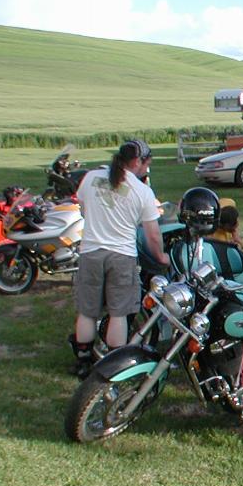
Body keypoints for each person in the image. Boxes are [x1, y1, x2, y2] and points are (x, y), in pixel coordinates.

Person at [70, 138, 169, 377]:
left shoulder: (91, 177)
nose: (147, 168)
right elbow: (153, 234)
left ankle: (83, 360)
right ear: (137, 161)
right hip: (122, 256)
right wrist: (161, 257)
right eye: (146, 163)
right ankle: (113, 364)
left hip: (91, 252)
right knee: (118, 312)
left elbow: (83, 209)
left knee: (87, 311)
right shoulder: (142, 191)